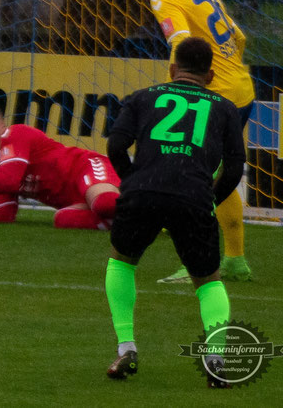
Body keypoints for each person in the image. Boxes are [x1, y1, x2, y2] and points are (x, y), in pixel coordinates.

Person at [104, 37, 245, 387]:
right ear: (210, 75)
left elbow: (115, 146)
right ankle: (215, 358)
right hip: (193, 197)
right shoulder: (225, 108)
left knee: (122, 261)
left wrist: (132, 182)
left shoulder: (142, 97)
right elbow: (234, 166)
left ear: (171, 69)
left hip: (142, 193)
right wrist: (211, 199)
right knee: (208, 281)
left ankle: (126, 347)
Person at [145, 0, 254, 283]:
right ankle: (235, 258)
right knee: (215, 174)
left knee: (190, 175)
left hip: (209, 94)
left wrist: (183, 88)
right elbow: (238, 36)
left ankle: (196, 261)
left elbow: (179, 40)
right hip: (240, 88)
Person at [0, 99, 121, 230]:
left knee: (105, 203)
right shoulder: (0, 172)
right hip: (76, 199)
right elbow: (3, 216)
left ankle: (146, 209)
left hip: (86, 167)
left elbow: (8, 180)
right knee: (63, 220)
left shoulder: (16, 134)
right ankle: (133, 222)